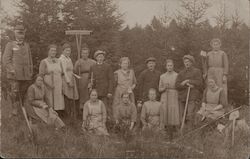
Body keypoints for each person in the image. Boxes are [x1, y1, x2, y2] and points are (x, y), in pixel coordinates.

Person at [3, 24, 33, 117]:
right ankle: (14, 111)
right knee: (14, 93)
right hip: (14, 75)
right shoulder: (10, 44)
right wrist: (11, 70)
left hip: (25, 75)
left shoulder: (26, 45)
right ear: (15, 34)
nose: (21, 36)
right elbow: (5, 59)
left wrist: (30, 71)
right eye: (19, 33)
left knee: (24, 93)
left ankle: (23, 111)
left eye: (23, 33)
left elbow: (30, 59)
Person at [175, 55, 203, 131]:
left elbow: (200, 82)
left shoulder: (197, 71)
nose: (186, 63)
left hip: (192, 96)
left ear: (192, 62)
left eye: (188, 62)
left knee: (190, 114)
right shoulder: (181, 73)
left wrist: (188, 81)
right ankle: (181, 130)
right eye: (185, 62)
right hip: (182, 97)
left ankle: (189, 131)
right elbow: (177, 85)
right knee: (181, 114)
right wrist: (184, 84)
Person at [39, 44, 65, 116]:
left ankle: (58, 115)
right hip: (48, 84)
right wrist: (48, 84)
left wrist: (63, 86)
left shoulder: (59, 61)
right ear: (48, 51)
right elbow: (41, 76)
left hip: (58, 83)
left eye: (55, 51)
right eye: (52, 50)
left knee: (58, 100)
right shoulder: (44, 61)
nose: (53, 52)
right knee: (50, 99)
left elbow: (62, 74)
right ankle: (50, 115)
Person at [89, 50, 114, 120]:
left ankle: (106, 122)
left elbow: (111, 80)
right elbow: (89, 78)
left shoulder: (107, 67)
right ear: (96, 58)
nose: (100, 58)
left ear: (104, 58)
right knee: (95, 108)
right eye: (98, 57)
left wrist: (110, 91)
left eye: (102, 57)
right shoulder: (93, 67)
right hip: (95, 91)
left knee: (105, 108)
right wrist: (90, 85)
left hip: (105, 92)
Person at [203, 38, 229, 103]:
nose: (216, 46)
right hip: (210, 72)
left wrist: (225, 75)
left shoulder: (223, 53)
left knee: (220, 87)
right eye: (214, 44)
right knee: (210, 86)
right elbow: (205, 65)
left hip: (220, 72)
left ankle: (222, 105)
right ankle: (210, 103)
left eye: (217, 44)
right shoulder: (208, 54)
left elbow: (226, 64)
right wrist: (205, 73)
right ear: (212, 45)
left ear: (220, 45)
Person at [159, 59, 179, 138]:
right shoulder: (162, 76)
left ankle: (174, 130)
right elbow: (159, 89)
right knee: (164, 110)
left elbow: (179, 86)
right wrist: (164, 87)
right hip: (164, 94)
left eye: (171, 65)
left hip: (174, 94)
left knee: (173, 110)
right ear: (166, 67)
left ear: (173, 66)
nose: (170, 67)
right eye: (168, 66)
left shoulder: (177, 75)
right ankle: (164, 130)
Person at [74, 46, 96, 115]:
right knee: (82, 94)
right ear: (81, 54)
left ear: (88, 54)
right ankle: (82, 111)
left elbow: (95, 71)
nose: (85, 55)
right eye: (83, 53)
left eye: (86, 53)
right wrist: (78, 67)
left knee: (89, 93)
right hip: (81, 79)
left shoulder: (92, 62)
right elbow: (75, 72)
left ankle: (91, 110)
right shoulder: (78, 62)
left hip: (90, 79)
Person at [59, 43, 79, 118]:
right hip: (65, 78)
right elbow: (64, 71)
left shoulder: (69, 58)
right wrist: (68, 81)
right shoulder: (62, 59)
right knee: (67, 96)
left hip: (71, 77)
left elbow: (71, 70)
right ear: (63, 51)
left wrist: (75, 76)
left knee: (72, 97)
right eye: (66, 50)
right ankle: (67, 114)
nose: (68, 52)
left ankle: (72, 113)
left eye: (69, 51)